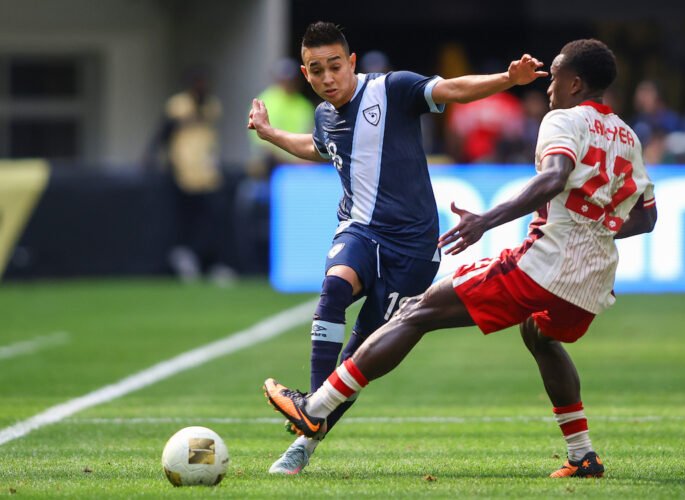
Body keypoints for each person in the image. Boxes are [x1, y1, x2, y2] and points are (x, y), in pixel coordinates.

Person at [265, 39, 658, 479]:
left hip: (544, 264)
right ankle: (583, 454)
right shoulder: (628, 136)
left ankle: (314, 406)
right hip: (594, 278)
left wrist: (485, 221)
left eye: (558, 76)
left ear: (576, 83)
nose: (550, 88)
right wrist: (593, 232)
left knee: (417, 312)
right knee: (540, 335)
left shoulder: (562, 120)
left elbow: (554, 177)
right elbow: (646, 217)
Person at [248, 21, 548, 475]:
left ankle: (308, 434)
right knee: (332, 291)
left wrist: (508, 80)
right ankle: (311, 410)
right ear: (306, 75)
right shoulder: (325, 115)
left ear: (350, 62)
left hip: (412, 249)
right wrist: (271, 135)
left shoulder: (393, 89)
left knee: (359, 356)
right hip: (359, 230)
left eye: (334, 66)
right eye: (315, 70)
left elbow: (452, 89)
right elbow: (317, 147)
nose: (327, 78)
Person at [147, 66, 233, 284]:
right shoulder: (178, 106)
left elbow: (209, 137)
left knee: (213, 220)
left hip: (207, 172)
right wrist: (151, 156)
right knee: (186, 220)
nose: (202, 87)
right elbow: (164, 132)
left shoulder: (212, 105)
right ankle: (186, 262)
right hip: (184, 171)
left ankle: (213, 264)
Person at [249, 58, 315, 176]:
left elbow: (310, 135)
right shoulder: (265, 100)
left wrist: (302, 160)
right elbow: (262, 140)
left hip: (299, 162)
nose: (287, 83)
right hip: (273, 163)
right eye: (284, 79)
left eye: (291, 79)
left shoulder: (304, 105)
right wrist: (290, 161)